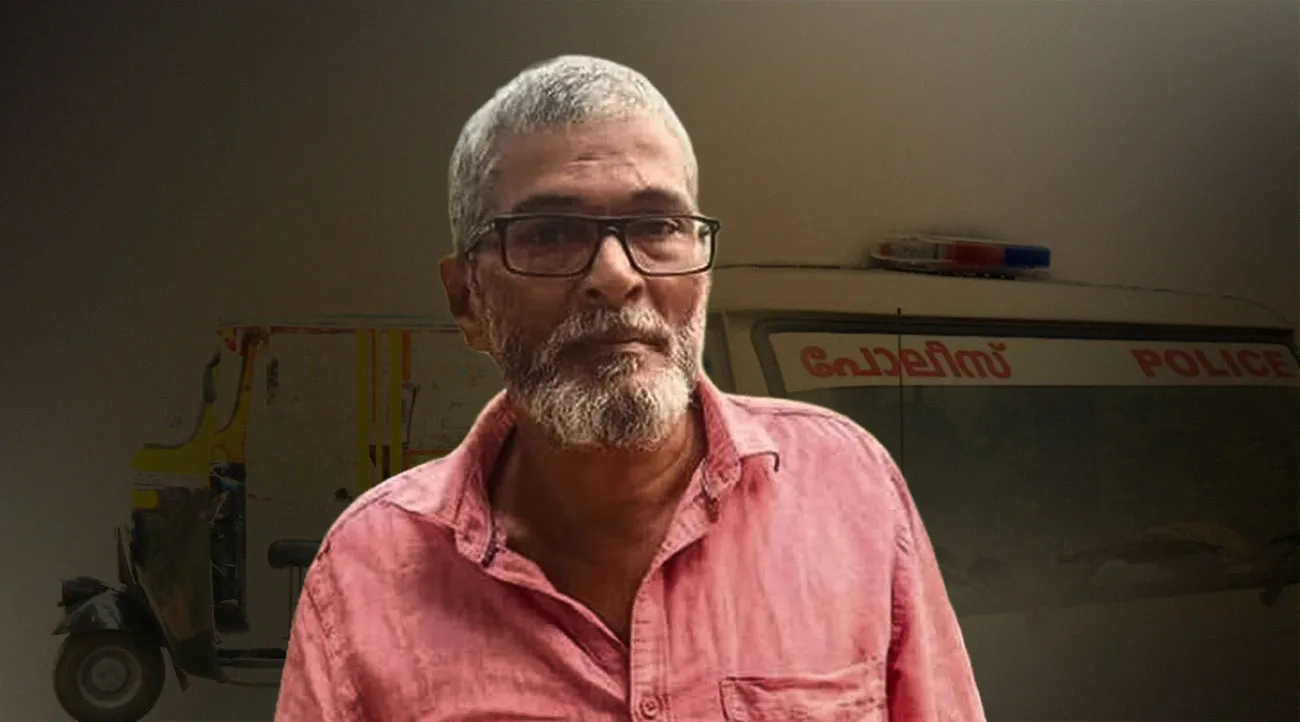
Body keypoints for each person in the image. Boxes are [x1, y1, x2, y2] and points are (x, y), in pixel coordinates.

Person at [275, 54, 985, 721]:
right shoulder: (366, 574)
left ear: (702, 266)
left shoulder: (848, 490)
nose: (615, 276)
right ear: (467, 300)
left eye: (657, 225)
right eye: (550, 232)